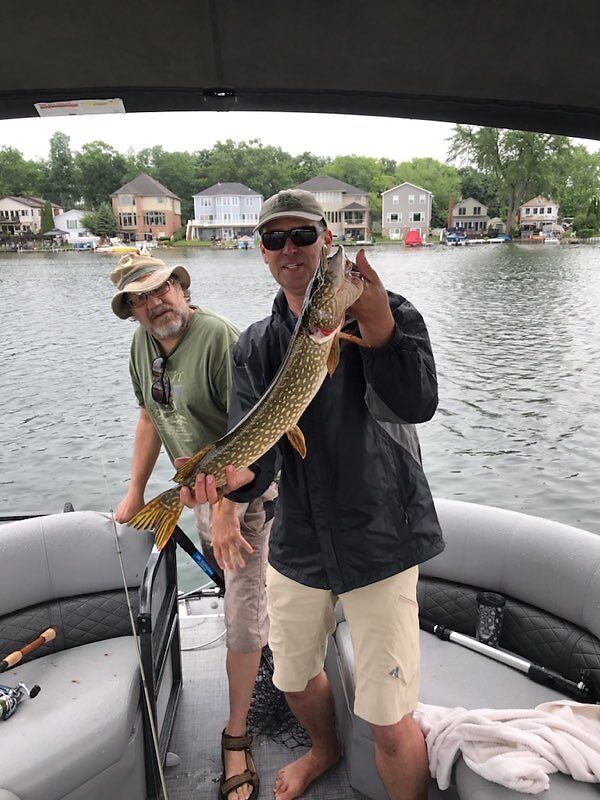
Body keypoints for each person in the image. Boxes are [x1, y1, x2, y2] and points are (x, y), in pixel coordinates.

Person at [182, 189, 445, 800]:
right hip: (297, 537)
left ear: (327, 240)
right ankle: (324, 749)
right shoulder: (254, 344)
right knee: (295, 676)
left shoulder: (391, 313)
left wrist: (377, 327)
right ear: (263, 254)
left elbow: (418, 404)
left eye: (304, 236)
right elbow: (261, 450)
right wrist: (227, 479)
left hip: (380, 531)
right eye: (276, 239)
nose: (292, 249)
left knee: (388, 719)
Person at [110, 252, 276, 800]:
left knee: (242, 618)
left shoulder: (221, 339)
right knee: (237, 596)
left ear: (181, 286)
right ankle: (259, 657)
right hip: (199, 490)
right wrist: (136, 489)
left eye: (161, 290)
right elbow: (149, 416)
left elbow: (251, 433)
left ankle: (236, 735)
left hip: (242, 492)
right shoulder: (143, 344)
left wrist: (229, 512)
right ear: (131, 310)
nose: (155, 303)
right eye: (140, 299)